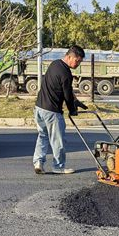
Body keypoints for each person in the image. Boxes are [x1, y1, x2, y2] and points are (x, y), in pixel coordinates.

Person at [32, 45, 86, 174]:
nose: (78, 63)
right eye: (77, 60)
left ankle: (39, 162)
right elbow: (67, 95)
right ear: (69, 56)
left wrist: (76, 100)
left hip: (39, 108)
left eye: (80, 61)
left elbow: (62, 88)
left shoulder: (54, 64)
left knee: (43, 136)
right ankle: (58, 166)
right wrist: (72, 109)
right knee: (58, 140)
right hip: (52, 111)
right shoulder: (66, 73)